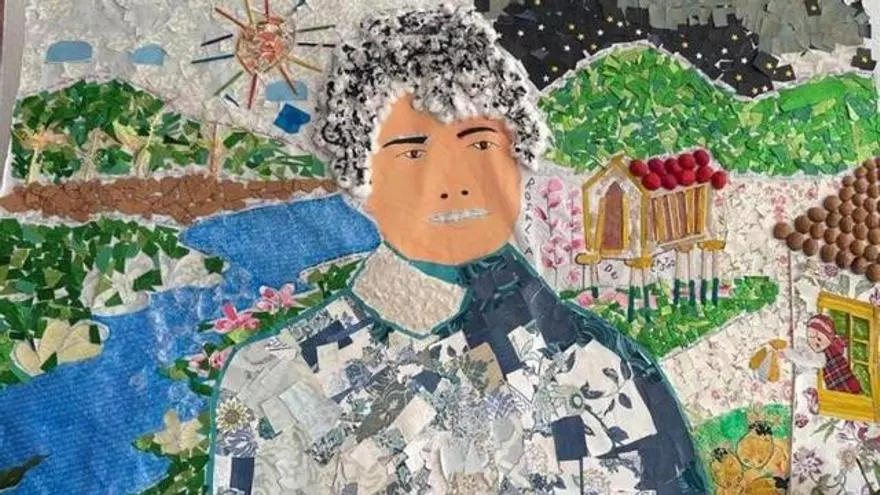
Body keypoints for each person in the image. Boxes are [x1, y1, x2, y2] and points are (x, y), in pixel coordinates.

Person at [210, 6, 706, 494]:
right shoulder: (272, 371)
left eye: (480, 146)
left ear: (519, 157)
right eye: (413, 153)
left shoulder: (602, 366)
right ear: (360, 174)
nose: (453, 182)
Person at [807, 314, 862, 394]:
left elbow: (844, 342)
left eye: (819, 338)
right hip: (835, 385)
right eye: (811, 337)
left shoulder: (833, 345)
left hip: (844, 379)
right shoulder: (820, 354)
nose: (816, 341)